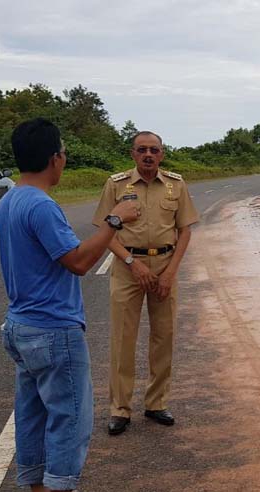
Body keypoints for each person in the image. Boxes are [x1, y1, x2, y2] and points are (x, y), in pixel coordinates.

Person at [0, 118, 138, 492]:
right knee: (69, 418)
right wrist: (114, 221)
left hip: (20, 325)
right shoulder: (41, 206)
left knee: (33, 414)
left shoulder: (10, 199)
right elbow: (77, 261)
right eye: (63, 153)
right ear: (55, 158)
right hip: (53, 329)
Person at [92, 131, 199, 435]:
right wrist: (132, 263)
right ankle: (120, 408)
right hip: (128, 268)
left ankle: (156, 403)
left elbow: (185, 231)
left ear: (162, 154)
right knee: (123, 338)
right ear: (133, 154)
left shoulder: (176, 185)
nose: (148, 155)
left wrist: (170, 273)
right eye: (142, 150)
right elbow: (105, 232)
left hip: (165, 265)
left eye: (154, 150)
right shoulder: (116, 185)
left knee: (164, 337)